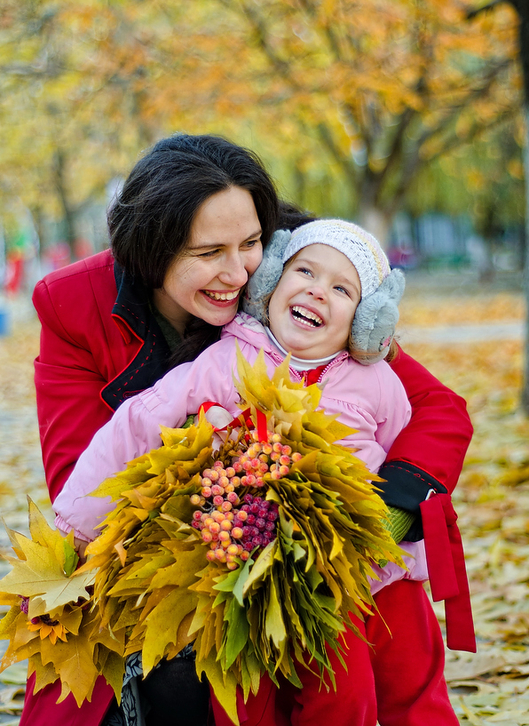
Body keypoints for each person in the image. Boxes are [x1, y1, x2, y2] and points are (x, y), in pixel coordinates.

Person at [25, 132, 473, 726]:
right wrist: (209, 464)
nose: (237, 273)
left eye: (251, 244)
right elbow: (81, 478)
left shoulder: (301, 278)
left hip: (312, 550)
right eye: (209, 252)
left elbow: (431, 407)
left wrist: (379, 511)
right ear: (155, 247)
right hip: (174, 552)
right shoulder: (73, 303)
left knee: (376, 665)